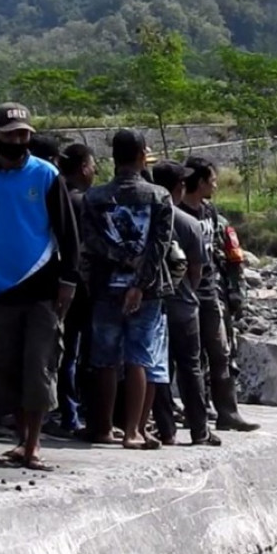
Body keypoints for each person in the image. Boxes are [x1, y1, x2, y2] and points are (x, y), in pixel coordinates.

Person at [0, 103, 79, 472]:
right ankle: (19, 441)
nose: (18, 140)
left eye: (24, 134)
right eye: (10, 134)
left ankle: (33, 446)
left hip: (41, 287)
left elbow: (67, 233)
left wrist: (68, 280)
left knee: (39, 368)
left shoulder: (45, 175)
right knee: (5, 368)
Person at [82, 130, 174, 450]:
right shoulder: (159, 196)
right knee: (139, 358)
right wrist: (139, 283)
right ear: (140, 156)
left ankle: (104, 427)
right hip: (146, 291)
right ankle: (133, 430)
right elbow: (159, 246)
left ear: (113, 158)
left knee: (105, 359)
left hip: (106, 287)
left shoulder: (94, 198)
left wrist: (117, 259)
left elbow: (90, 243)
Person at [179, 157, 258, 432]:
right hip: (182, 294)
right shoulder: (176, 213)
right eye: (212, 180)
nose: (215, 185)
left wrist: (235, 293)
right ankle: (196, 413)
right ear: (199, 182)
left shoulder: (211, 213)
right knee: (191, 358)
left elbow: (228, 256)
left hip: (212, 292)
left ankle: (228, 412)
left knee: (221, 353)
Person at [149, 160, 219, 447]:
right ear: (178, 187)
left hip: (153, 304)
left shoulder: (149, 215)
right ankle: (199, 430)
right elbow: (196, 270)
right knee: (191, 366)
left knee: (159, 366)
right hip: (184, 305)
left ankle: (166, 430)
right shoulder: (189, 224)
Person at [45, 143, 96, 438]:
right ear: (83, 168)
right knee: (72, 353)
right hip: (76, 285)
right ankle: (71, 412)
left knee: (60, 351)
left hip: (53, 281)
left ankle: (64, 410)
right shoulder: (81, 201)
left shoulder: (52, 193)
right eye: (92, 166)